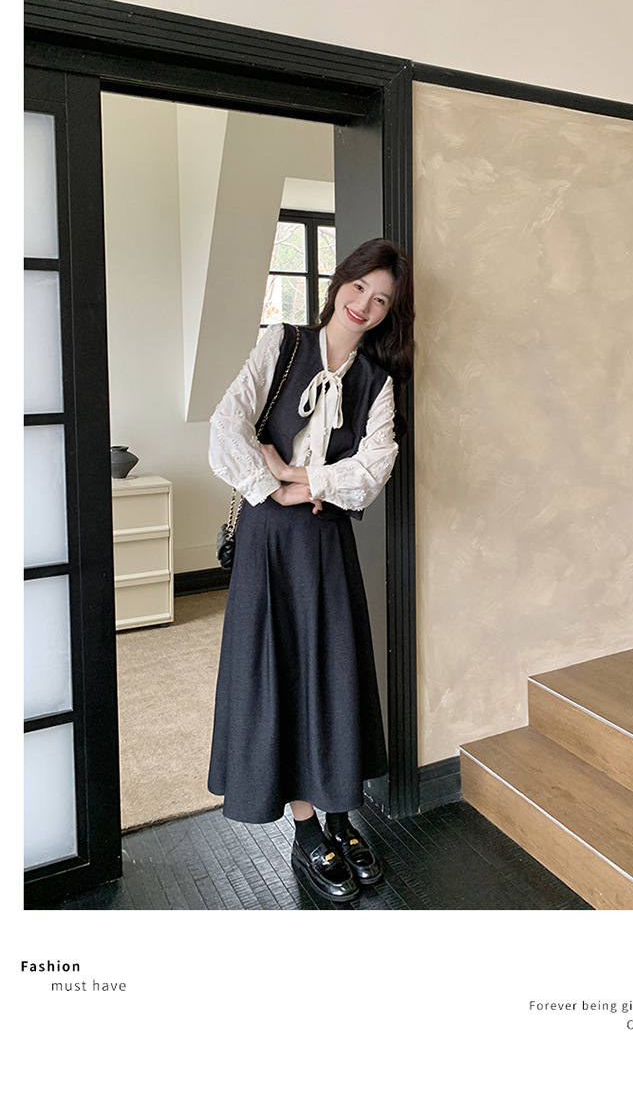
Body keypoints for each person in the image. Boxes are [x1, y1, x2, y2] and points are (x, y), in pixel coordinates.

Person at [207, 237, 415, 903]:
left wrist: (300, 478)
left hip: (326, 543)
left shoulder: (377, 383)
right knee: (283, 675)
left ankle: (341, 817)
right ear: (339, 283)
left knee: (334, 674)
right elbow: (226, 427)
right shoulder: (283, 343)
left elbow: (374, 468)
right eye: (359, 288)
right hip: (268, 539)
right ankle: (306, 830)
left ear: (389, 312)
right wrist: (276, 487)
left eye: (381, 299)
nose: (365, 305)